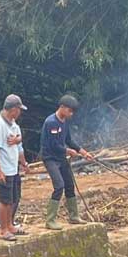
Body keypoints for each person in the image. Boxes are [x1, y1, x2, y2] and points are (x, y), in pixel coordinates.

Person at [39, 94, 93, 229]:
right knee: (59, 186)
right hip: (50, 158)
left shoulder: (64, 122)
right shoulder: (51, 122)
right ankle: (50, 220)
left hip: (61, 157)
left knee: (69, 185)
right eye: (70, 110)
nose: (71, 114)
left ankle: (74, 216)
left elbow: (69, 140)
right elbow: (54, 145)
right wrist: (68, 151)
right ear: (62, 107)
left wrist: (83, 152)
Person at [0, 94, 29, 241]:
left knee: (13, 198)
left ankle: (10, 225)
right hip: (3, 168)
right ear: (13, 109)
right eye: (19, 110)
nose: (20, 113)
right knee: (5, 199)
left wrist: (22, 160)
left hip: (12, 167)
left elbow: (19, 141)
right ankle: (3, 230)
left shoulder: (13, 124)